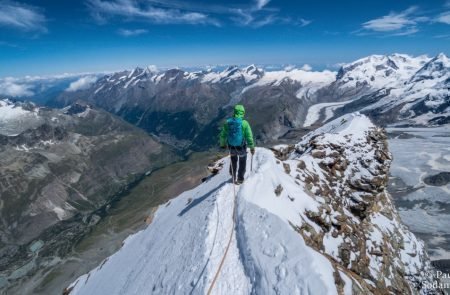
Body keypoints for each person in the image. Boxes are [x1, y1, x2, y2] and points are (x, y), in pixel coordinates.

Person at [219, 104, 255, 184]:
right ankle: (240, 179)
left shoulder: (228, 122)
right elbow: (249, 136)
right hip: (241, 148)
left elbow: (223, 135)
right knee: (242, 162)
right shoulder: (244, 123)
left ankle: (233, 176)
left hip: (231, 147)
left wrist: (222, 144)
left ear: (234, 112)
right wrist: (252, 147)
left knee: (233, 160)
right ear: (243, 113)